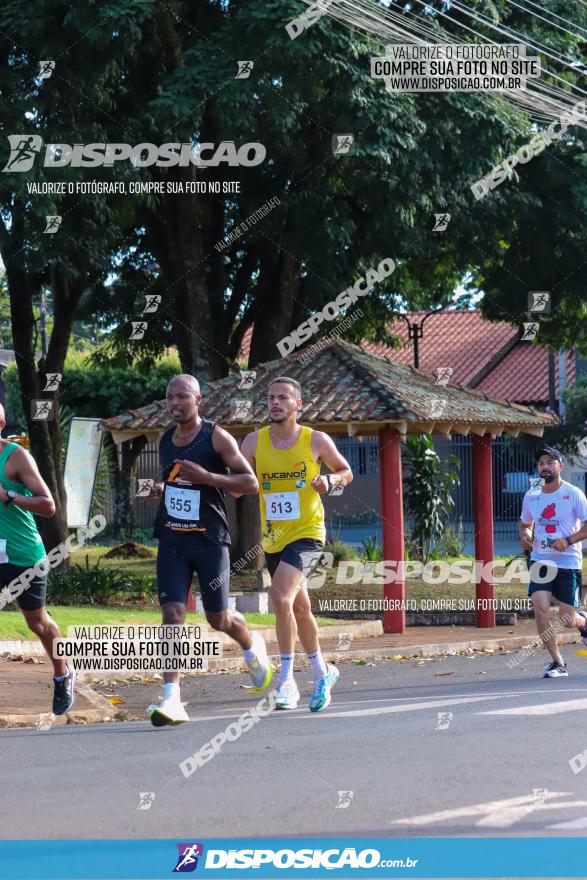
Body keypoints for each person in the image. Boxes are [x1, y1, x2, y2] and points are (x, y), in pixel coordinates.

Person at [146, 374, 272, 727]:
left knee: (218, 619)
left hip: (210, 540)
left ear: (198, 400)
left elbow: (250, 482)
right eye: (170, 397)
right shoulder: (165, 439)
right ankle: (172, 699)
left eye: (181, 397)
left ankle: (250, 644)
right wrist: (160, 487)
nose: (174, 403)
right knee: (173, 614)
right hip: (173, 539)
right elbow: (176, 480)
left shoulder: (216, 435)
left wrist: (210, 478)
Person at [238, 376, 353, 711]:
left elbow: (346, 471)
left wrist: (330, 480)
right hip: (274, 538)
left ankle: (286, 679)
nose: (275, 403)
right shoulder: (254, 442)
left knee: (278, 597)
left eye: (283, 398)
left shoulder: (314, 439)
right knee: (298, 607)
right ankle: (322, 672)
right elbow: (236, 474)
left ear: (297, 405)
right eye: (271, 398)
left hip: (308, 534)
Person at [0, 405, 75, 714]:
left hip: (23, 555)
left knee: (37, 623)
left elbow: (48, 505)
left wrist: (10, 497)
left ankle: (63, 673)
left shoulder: (15, 456)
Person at [520, 446, 587, 678]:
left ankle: (583, 622)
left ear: (560, 466)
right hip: (540, 560)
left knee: (567, 619)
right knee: (540, 610)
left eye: (550, 462)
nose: (545, 466)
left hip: (568, 561)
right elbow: (525, 523)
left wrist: (568, 540)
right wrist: (526, 536)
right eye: (541, 463)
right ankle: (558, 663)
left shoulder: (573, 493)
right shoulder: (532, 495)